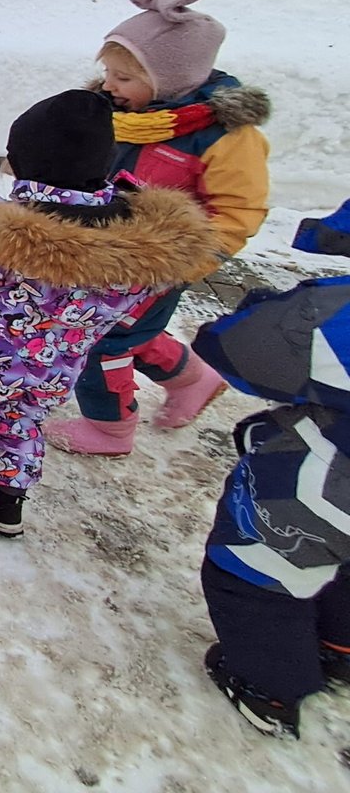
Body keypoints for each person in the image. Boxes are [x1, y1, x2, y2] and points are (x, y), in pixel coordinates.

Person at [0, 90, 217, 553]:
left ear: (26, 161)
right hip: (56, 369)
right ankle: (7, 503)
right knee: (21, 423)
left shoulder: (5, 231)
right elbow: (125, 303)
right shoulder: (135, 241)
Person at [46, 0, 272, 456]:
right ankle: (192, 378)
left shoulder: (225, 138)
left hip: (161, 263)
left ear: (170, 79)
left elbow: (238, 209)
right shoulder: (127, 116)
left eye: (124, 77)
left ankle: (109, 428)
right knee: (128, 327)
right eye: (109, 72)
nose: (109, 85)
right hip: (106, 253)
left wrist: (189, 262)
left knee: (99, 338)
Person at [196, 201, 350, 740]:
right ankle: (339, 645)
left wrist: (272, 306)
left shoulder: (336, 316)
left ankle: (270, 687)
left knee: (256, 575)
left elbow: (239, 349)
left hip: (329, 488)